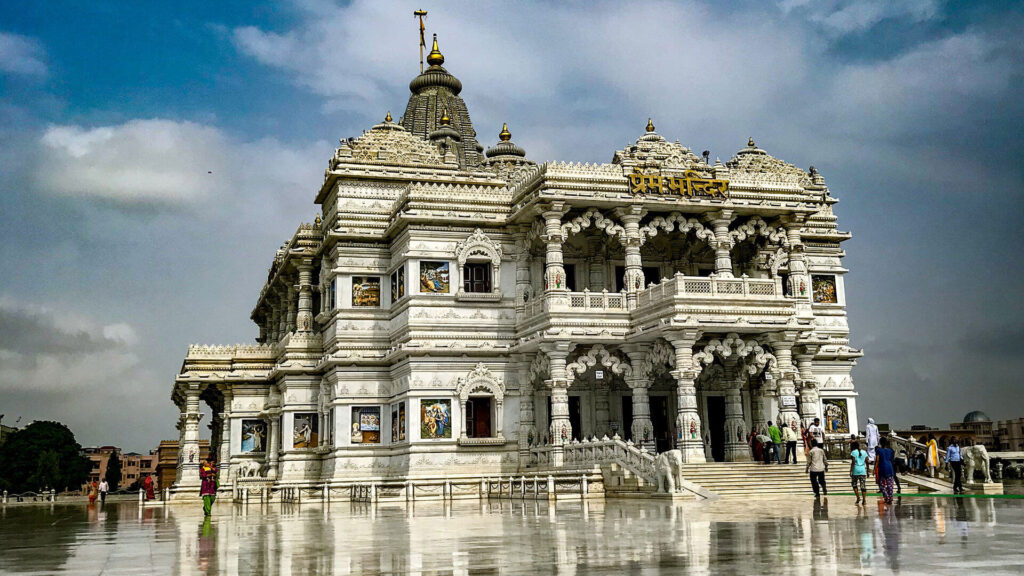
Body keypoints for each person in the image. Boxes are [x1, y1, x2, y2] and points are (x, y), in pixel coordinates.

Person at [875, 437, 897, 505]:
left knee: (881, 484)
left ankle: (886, 496)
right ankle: (890, 498)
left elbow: (877, 460)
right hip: (889, 467)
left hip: (882, 467)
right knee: (890, 484)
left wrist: (874, 468)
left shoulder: (879, 450)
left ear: (880, 443)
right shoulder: (890, 450)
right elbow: (892, 460)